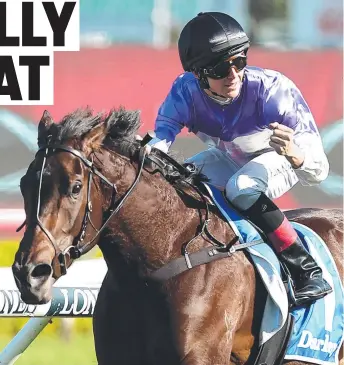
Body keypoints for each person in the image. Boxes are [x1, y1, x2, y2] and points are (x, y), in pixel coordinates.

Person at [144, 11, 332, 306]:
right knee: (181, 178)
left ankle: (306, 270)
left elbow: (318, 173)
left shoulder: (271, 90)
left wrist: (295, 154)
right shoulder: (183, 91)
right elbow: (159, 143)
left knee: (241, 186)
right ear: (198, 74)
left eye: (239, 62)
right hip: (231, 157)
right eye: (220, 69)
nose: (233, 76)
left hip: (280, 156)